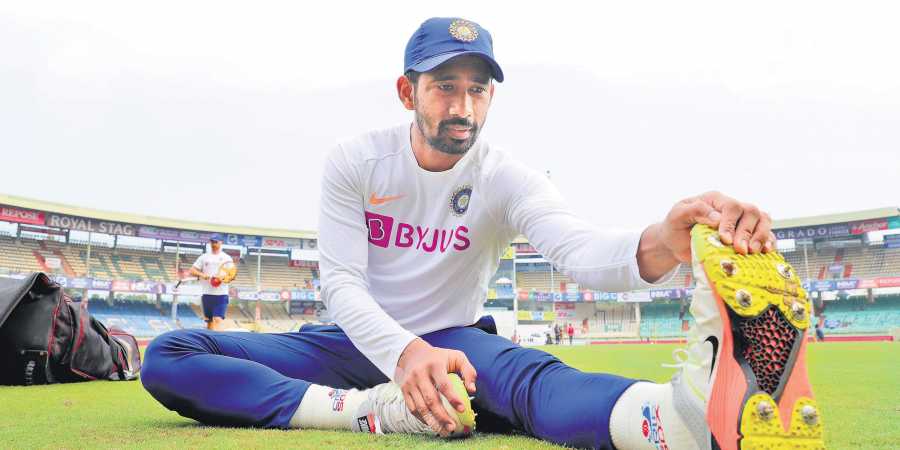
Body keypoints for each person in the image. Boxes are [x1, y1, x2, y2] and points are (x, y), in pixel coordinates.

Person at [142, 17, 822, 449]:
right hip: (353, 345)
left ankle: (676, 421)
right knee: (170, 357)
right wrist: (403, 362)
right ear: (407, 93)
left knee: (537, 389)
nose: (462, 106)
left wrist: (666, 241)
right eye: (444, 87)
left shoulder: (507, 177)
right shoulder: (355, 160)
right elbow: (342, 285)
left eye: (477, 90)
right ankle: (368, 413)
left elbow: (579, 249)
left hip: (460, 343)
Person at [189, 237, 236, 331]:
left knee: (218, 319)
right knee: (209, 321)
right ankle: (210, 343)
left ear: (221, 242)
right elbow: (192, 270)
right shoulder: (204, 257)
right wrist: (202, 275)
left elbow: (232, 275)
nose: (214, 244)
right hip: (207, 294)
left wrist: (223, 278)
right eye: (212, 242)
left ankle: (220, 342)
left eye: (216, 242)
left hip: (221, 294)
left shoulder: (226, 258)